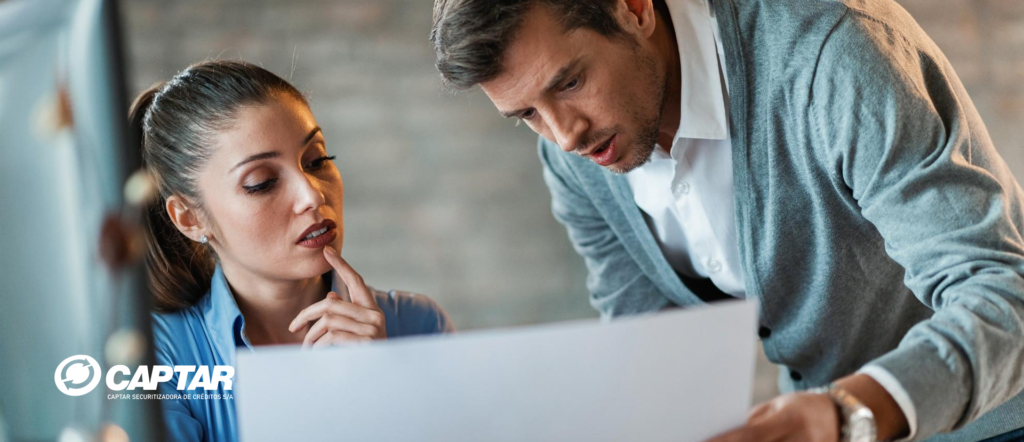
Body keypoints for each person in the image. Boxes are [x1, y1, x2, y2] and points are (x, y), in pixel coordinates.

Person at [429, 0, 1024, 441]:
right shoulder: (577, 163)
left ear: (633, 9)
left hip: (992, 418)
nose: (564, 134)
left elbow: (1004, 297)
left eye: (571, 81)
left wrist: (847, 415)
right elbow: (654, 354)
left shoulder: (832, 52)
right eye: (527, 113)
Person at [130, 60, 455, 442]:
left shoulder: (417, 326)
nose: (312, 194)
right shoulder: (155, 356)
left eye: (317, 161)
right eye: (262, 183)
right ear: (189, 218)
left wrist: (381, 390)